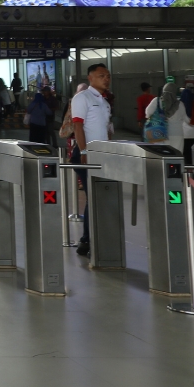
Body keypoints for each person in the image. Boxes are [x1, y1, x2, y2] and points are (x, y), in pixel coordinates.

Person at [71, 64, 113, 258]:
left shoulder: (105, 102)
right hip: (85, 154)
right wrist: (84, 151)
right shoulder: (82, 98)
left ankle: (93, 238)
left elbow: (106, 130)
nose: (106, 79)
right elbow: (78, 126)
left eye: (107, 76)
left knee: (98, 196)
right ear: (90, 78)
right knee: (93, 196)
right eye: (101, 75)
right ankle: (86, 241)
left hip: (101, 154)